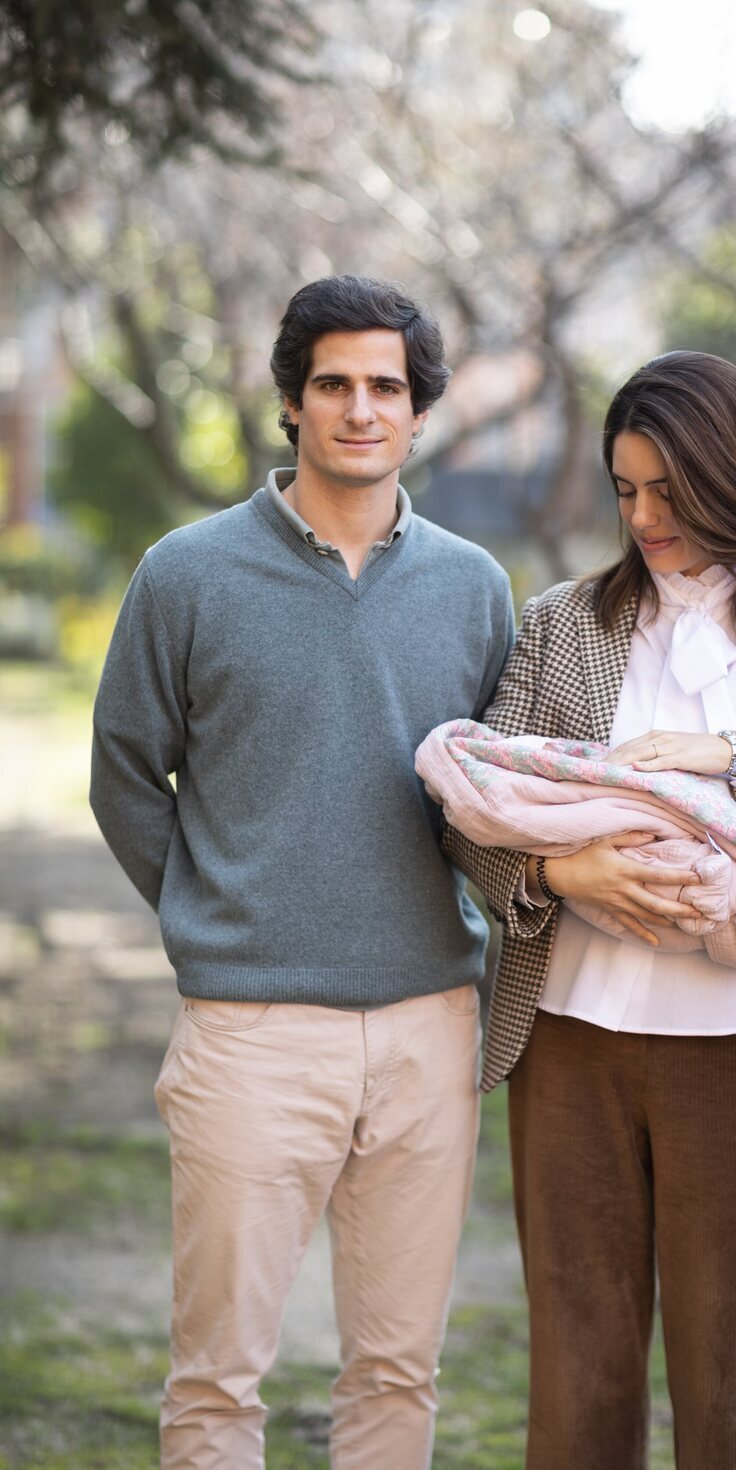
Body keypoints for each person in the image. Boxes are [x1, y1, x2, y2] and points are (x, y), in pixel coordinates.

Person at [442, 351, 736, 1470]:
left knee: (731, 1369)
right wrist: (560, 878)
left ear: (729, 475)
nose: (643, 517)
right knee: (577, 1360)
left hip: (729, 1051)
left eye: (667, 489)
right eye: (624, 489)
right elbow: (472, 816)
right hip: (565, 1043)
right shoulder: (562, 624)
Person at [90, 274, 515, 1470]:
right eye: (334, 383)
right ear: (291, 401)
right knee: (217, 1381)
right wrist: (210, 912)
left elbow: (498, 797)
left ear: (419, 411)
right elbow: (126, 772)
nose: (360, 407)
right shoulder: (186, 574)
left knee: (396, 1372)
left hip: (430, 1021)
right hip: (249, 1028)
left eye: (386, 385)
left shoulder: (474, 588)